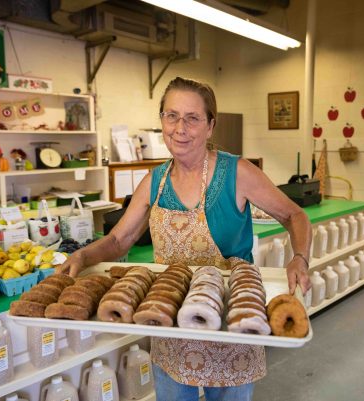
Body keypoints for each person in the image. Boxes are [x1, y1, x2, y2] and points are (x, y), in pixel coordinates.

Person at [57, 76, 312, 401]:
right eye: (171, 115)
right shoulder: (155, 181)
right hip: (171, 320)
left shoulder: (237, 173)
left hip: (229, 322)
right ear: (161, 120)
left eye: (192, 118)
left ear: (210, 125)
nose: (180, 128)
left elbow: (295, 215)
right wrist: (82, 256)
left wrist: (299, 256)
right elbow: (119, 240)